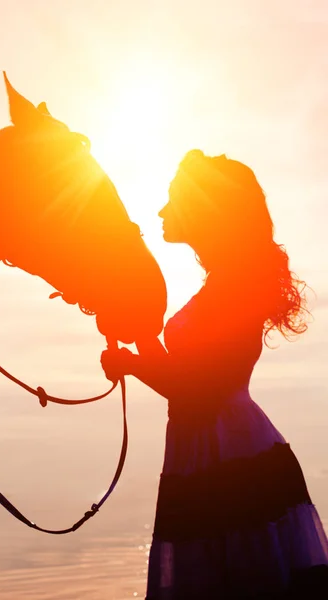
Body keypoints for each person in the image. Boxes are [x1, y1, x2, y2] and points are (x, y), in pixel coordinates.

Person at [101, 150, 328, 599]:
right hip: (219, 446)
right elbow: (188, 377)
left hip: (226, 455)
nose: (164, 210)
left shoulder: (232, 288)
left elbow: (193, 391)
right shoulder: (227, 283)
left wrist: (130, 362)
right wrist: (140, 337)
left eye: (173, 200)